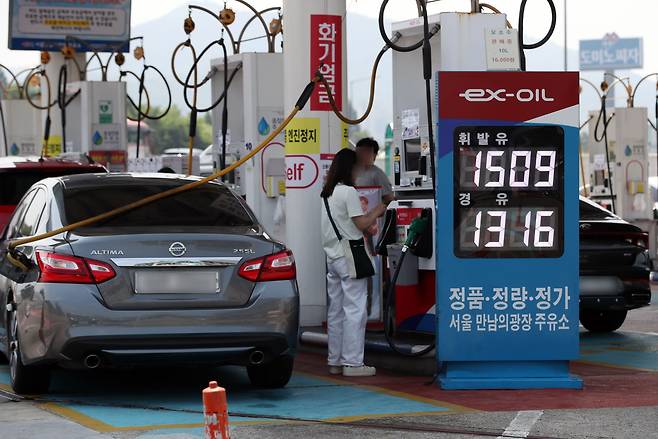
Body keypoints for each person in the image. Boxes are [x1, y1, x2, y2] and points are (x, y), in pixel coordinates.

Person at [321, 148, 388, 377]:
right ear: (350, 168)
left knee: (336, 310)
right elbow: (361, 224)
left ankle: (335, 361)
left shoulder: (327, 193)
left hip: (333, 258)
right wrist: (379, 208)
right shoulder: (348, 192)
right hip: (350, 257)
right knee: (355, 309)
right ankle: (352, 363)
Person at [355, 137, 395, 204]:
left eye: (366, 152)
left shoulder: (377, 174)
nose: (362, 156)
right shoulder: (351, 172)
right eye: (360, 152)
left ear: (374, 155)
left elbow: (389, 198)